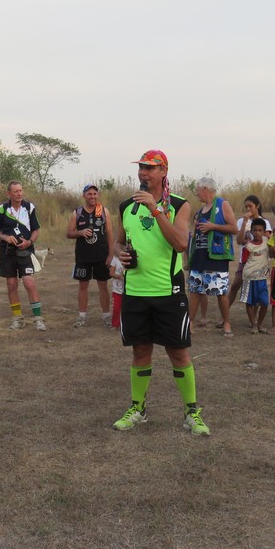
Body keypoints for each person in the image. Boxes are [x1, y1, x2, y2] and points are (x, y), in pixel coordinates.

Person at [111, 149, 208, 436]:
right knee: (140, 350)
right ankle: (137, 409)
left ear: (164, 171)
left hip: (168, 291)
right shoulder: (126, 206)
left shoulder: (179, 205)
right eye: (141, 167)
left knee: (178, 352)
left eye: (150, 168)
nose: (143, 172)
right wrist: (121, 253)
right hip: (135, 291)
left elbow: (180, 243)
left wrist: (155, 209)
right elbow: (118, 242)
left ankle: (192, 412)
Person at [0, 181, 45, 331]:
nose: (19, 193)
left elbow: (36, 229)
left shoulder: (29, 207)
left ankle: (38, 319)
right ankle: (17, 319)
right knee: (12, 284)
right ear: (9, 194)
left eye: (20, 190)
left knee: (29, 283)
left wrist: (29, 242)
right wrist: (5, 237)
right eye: (15, 191)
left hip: (25, 251)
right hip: (7, 252)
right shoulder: (2, 209)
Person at [187, 177, 237, 337]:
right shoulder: (200, 211)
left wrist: (213, 226)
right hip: (199, 256)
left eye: (197, 190)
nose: (196, 193)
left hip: (216, 256)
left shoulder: (223, 204)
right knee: (194, 290)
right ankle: (190, 323)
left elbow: (234, 228)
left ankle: (227, 323)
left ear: (206, 189)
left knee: (220, 292)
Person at [67, 183, 114, 327]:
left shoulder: (104, 211)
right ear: (84, 195)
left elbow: (110, 234)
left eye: (94, 194)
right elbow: (69, 233)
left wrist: (111, 254)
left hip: (101, 255)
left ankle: (106, 316)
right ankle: (81, 316)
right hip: (83, 256)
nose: (92, 196)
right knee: (83, 285)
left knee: (103, 284)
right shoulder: (77, 212)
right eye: (89, 194)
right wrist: (80, 232)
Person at [229, 195, 273, 307]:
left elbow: (268, 239)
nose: (248, 209)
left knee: (257, 289)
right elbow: (239, 241)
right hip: (245, 260)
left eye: (250, 206)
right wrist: (245, 222)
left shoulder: (264, 222)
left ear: (257, 206)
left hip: (259, 261)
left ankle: (254, 315)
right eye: (246, 207)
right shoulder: (241, 221)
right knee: (235, 285)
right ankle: (224, 313)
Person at [240, 218, 270, 333]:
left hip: (262, 278)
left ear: (264, 232)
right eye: (255, 230)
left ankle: (260, 324)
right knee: (250, 302)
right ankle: (253, 325)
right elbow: (244, 260)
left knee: (265, 303)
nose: (257, 233)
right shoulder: (248, 246)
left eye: (260, 230)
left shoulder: (266, 241)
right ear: (251, 231)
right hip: (249, 278)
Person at [108, 255, 125, 329]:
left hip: (128, 289)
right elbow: (111, 273)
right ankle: (115, 324)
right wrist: (119, 276)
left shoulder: (130, 259)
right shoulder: (115, 260)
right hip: (117, 289)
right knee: (116, 308)